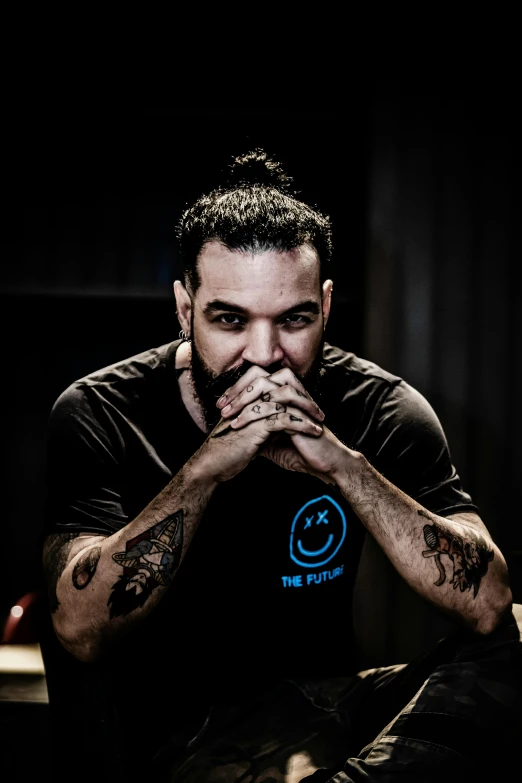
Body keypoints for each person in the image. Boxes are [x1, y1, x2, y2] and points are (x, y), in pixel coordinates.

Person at [39, 149, 521, 783]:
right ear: (186, 310)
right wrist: (205, 469)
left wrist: (343, 468)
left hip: (330, 712)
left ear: (323, 307)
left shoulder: (379, 408)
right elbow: (78, 630)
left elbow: (492, 606)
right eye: (230, 320)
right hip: (183, 738)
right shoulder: (102, 411)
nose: (265, 357)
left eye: (293, 320)